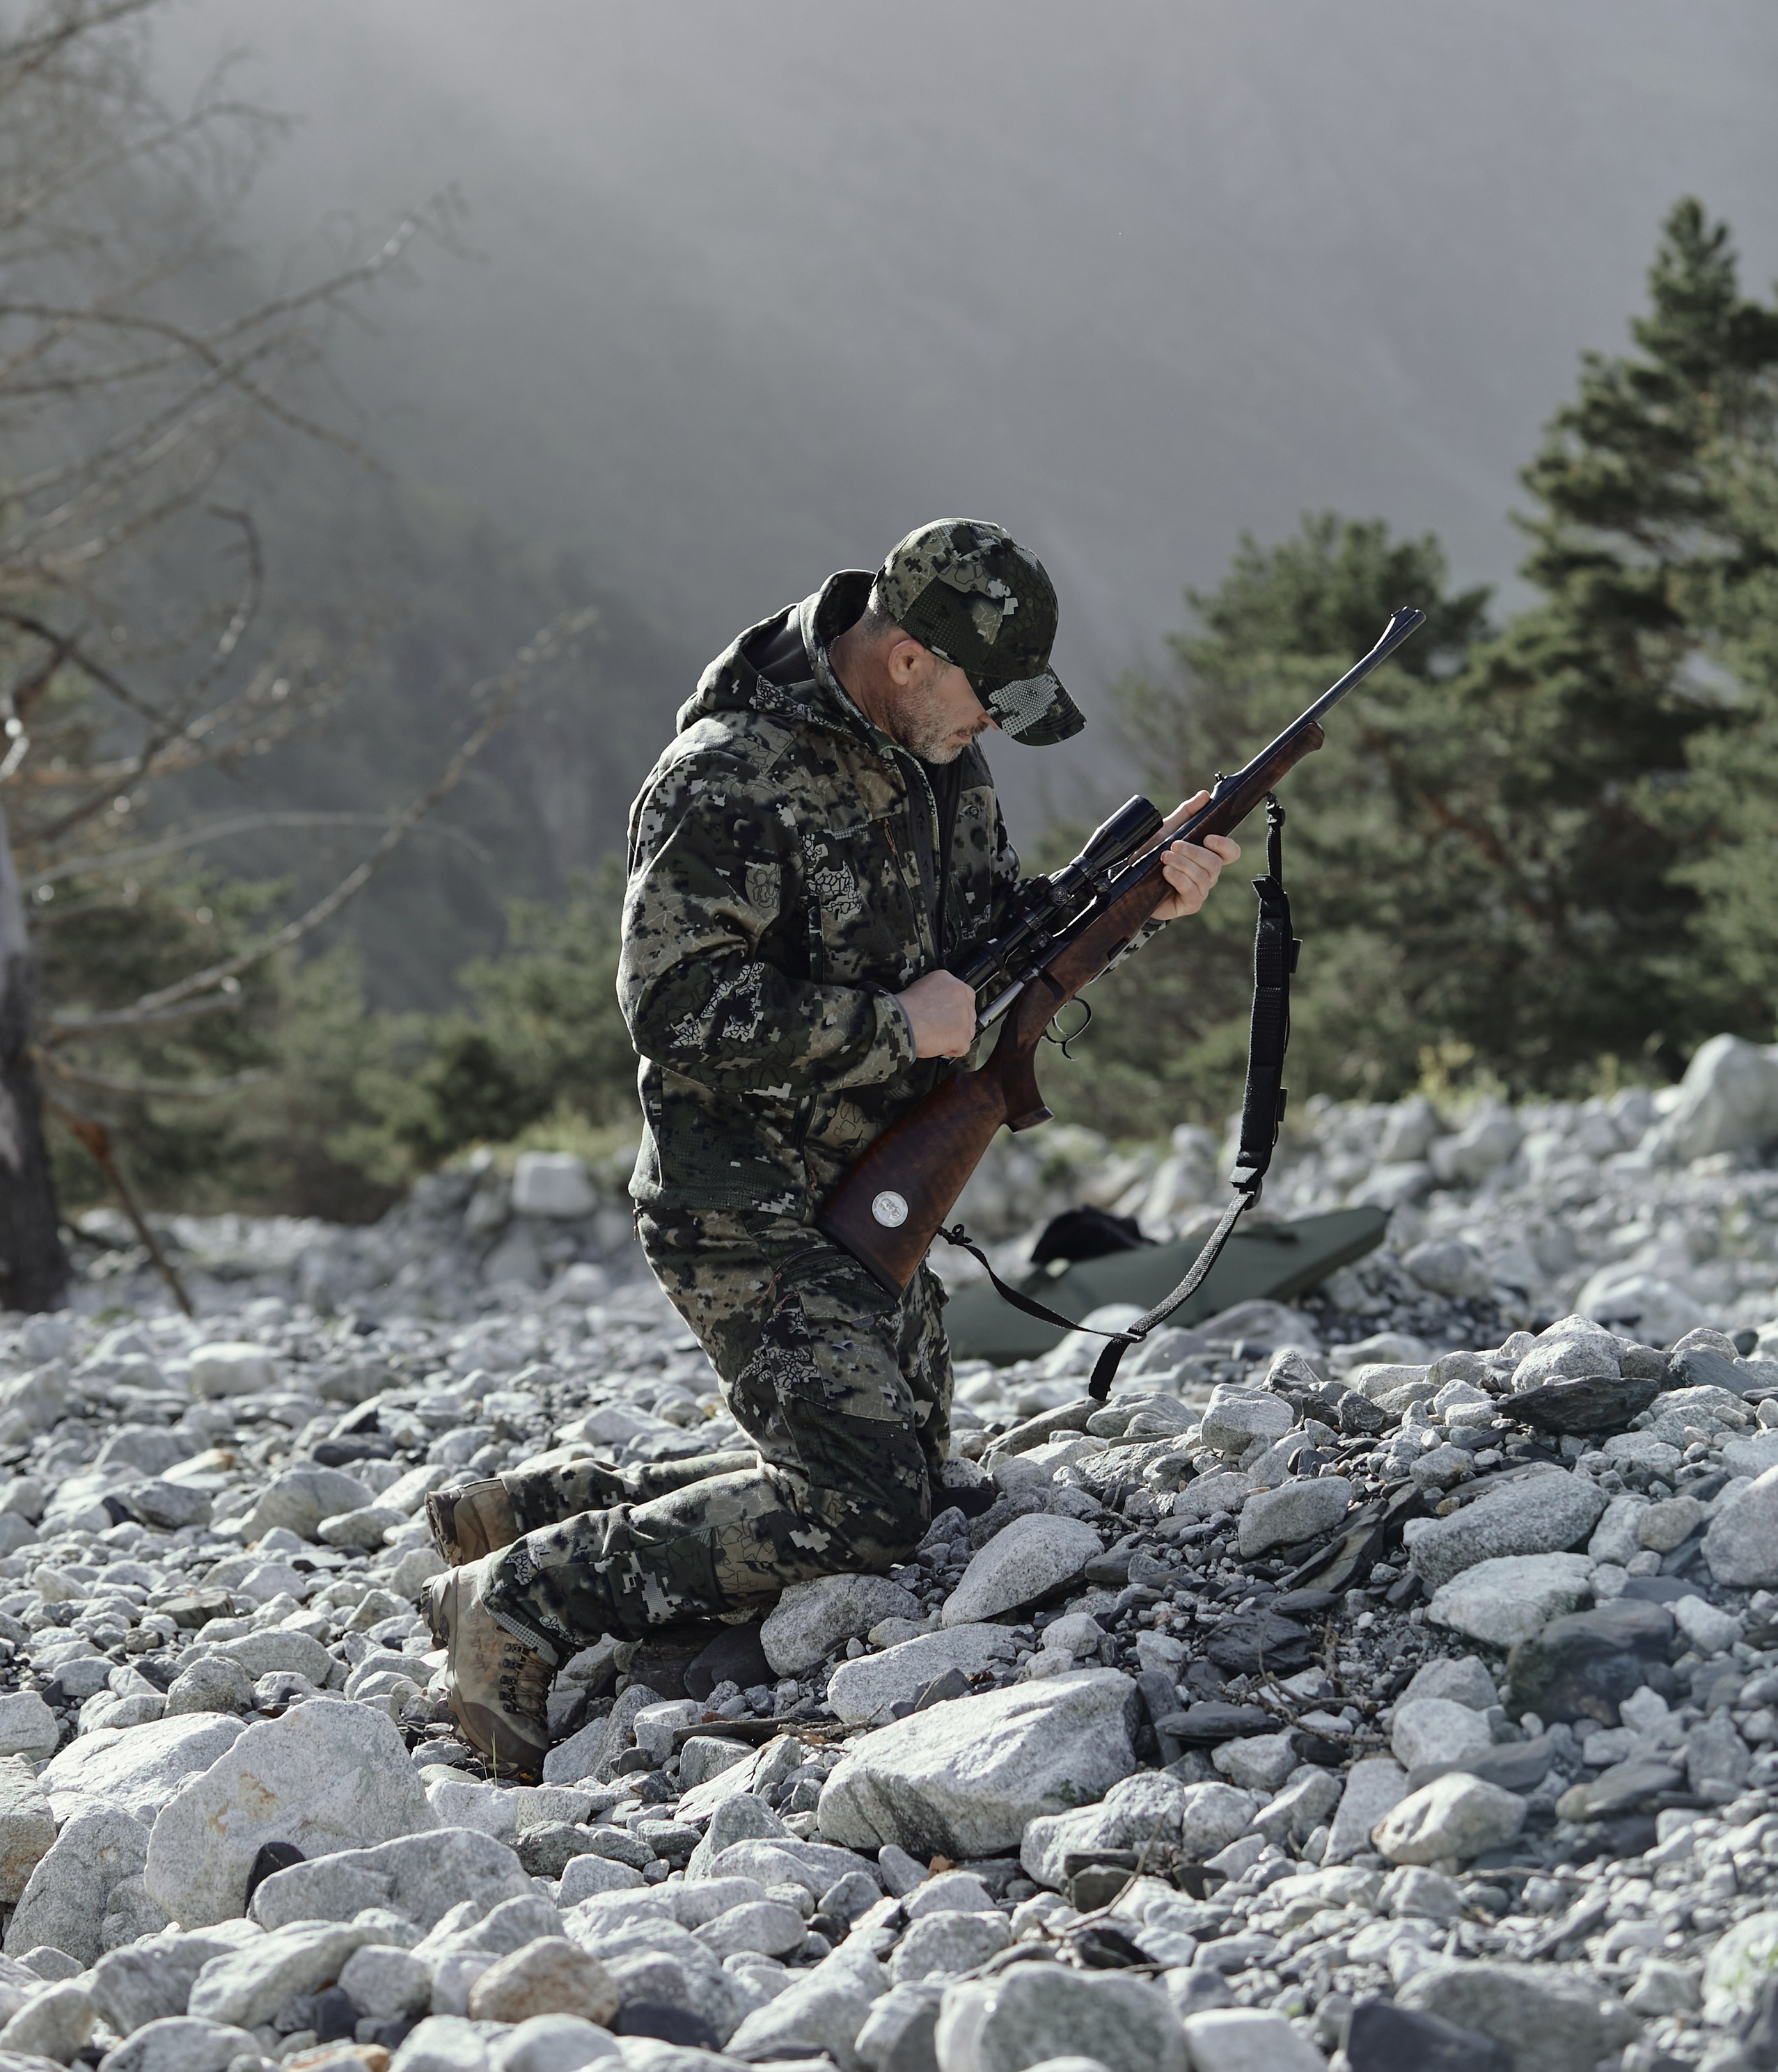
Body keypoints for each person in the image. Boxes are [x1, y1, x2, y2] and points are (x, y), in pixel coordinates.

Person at [424, 518, 1238, 1770]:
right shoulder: (726, 775)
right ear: (908, 656)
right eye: (984, 696)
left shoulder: (938, 760)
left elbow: (993, 954)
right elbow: (673, 1009)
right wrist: (889, 1026)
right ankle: (526, 1595)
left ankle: (531, 1508)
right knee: (865, 1502)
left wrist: (1138, 908)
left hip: (871, 1185)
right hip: (738, 1197)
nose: (997, 730)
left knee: (911, 1476)